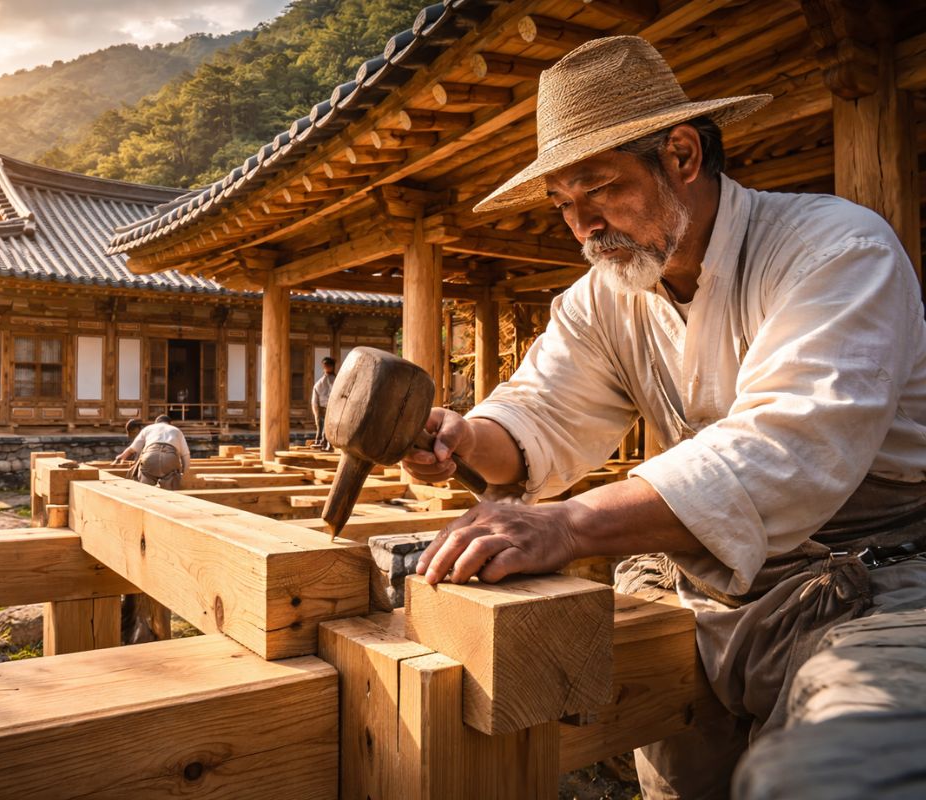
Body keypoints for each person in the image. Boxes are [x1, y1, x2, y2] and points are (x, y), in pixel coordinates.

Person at [401, 36, 926, 799]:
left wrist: (571, 525)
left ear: (681, 155)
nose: (583, 228)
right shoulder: (605, 296)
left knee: (836, 775)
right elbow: (542, 411)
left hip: (881, 581)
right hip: (701, 587)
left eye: (600, 191)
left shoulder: (836, 250)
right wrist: (459, 436)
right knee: (682, 786)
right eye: (563, 207)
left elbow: (787, 448)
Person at [113, 414, 190, 490]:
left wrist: (122, 456)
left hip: (150, 457)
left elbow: (133, 448)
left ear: (156, 423)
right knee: (171, 487)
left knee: (146, 487)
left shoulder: (148, 428)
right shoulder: (176, 430)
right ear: (170, 423)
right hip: (170, 459)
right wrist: (185, 475)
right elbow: (186, 454)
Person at [311, 356, 337, 451]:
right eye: (326, 366)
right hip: (322, 407)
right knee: (321, 425)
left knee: (328, 427)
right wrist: (316, 411)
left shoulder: (337, 380)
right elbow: (314, 400)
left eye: (329, 366)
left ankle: (327, 444)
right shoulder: (319, 383)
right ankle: (321, 442)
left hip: (333, 408)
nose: (327, 368)